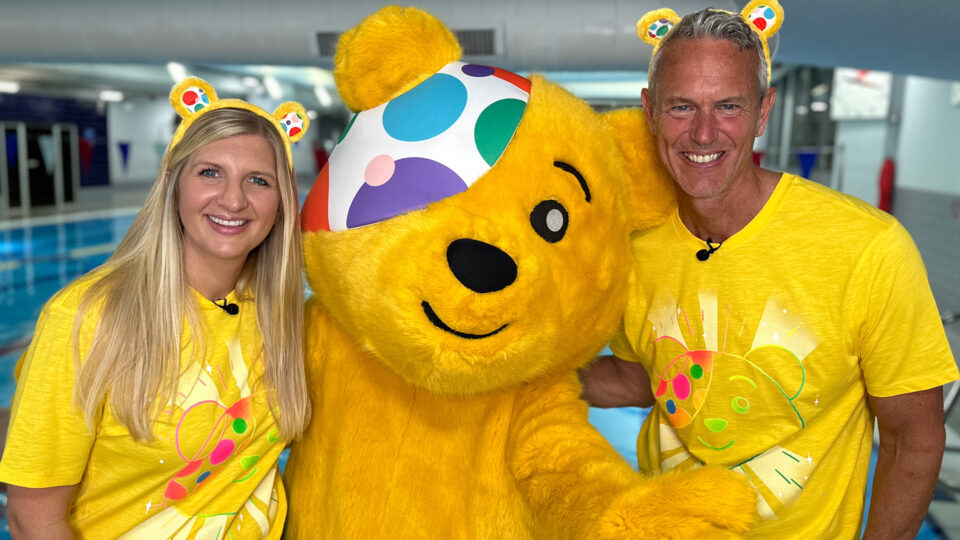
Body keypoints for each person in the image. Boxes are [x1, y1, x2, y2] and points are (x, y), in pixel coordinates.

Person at [580, 3, 959, 538]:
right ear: (650, 111)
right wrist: (510, 377)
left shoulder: (867, 248)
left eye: (728, 106)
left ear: (763, 111)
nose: (704, 133)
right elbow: (640, 379)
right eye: (682, 107)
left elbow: (913, 436)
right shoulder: (634, 246)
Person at [0, 78, 311, 539]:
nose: (233, 199)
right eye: (210, 173)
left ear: (282, 203)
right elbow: (32, 516)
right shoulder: (87, 317)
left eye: (258, 181)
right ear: (172, 183)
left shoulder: (282, 317)